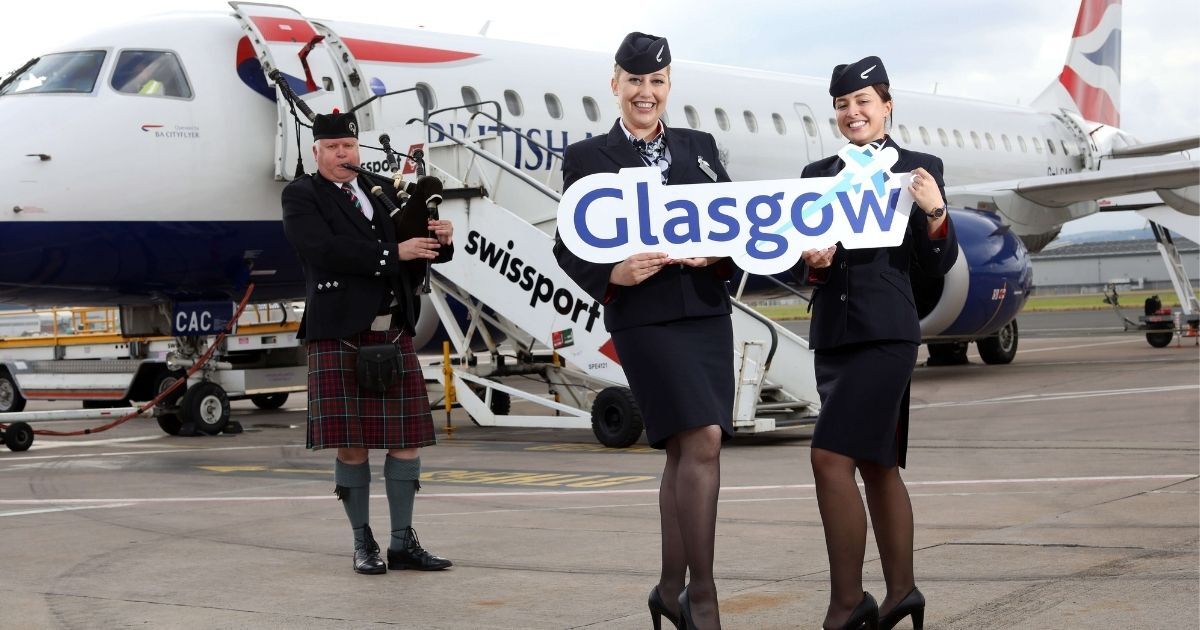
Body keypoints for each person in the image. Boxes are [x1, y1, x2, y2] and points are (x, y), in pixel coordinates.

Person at [554, 32, 734, 630]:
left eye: (656, 81)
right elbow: (565, 245)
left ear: (668, 86)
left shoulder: (699, 147)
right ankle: (702, 597)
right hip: (646, 317)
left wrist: (720, 254)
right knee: (703, 438)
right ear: (615, 85)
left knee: (685, 450)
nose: (645, 92)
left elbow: (732, 223)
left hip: (705, 312)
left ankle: (667, 589)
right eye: (634, 81)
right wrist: (612, 272)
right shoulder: (588, 157)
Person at [792, 56, 957, 630]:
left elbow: (937, 263)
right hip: (834, 335)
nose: (852, 112)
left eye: (863, 101)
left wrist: (935, 211)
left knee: (828, 458)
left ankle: (847, 603)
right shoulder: (817, 174)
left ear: (887, 106)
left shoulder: (919, 169)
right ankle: (902, 592)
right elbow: (794, 260)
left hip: (887, 332)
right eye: (842, 104)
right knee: (878, 464)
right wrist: (811, 264)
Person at [281, 110, 455, 575]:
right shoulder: (302, 195)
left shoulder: (381, 189)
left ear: (359, 148)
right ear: (316, 151)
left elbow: (415, 252)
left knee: (407, 442)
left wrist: (440, 240)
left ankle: (402, 543)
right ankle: (363, 542)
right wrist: (392, 252)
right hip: (339, 330)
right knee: (351, 446)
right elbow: (322, 249)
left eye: (349, 146)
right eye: (333, 148)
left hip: (392, 328)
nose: (343, 154)